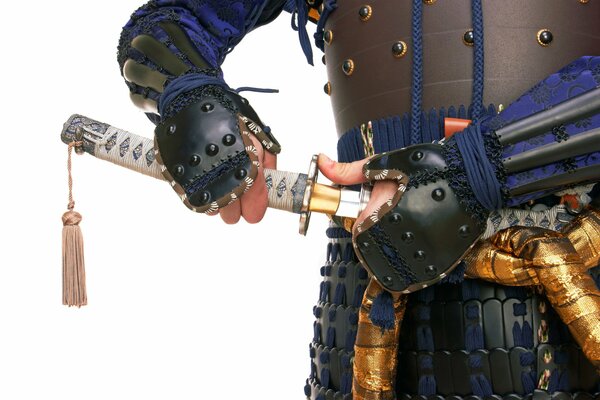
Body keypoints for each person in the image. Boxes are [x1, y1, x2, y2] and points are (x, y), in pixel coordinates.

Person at [116, 1, 600, 399]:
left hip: (569, 271)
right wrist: (191, 93)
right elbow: (169, 24)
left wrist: (475, 168)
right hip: (363, 287)